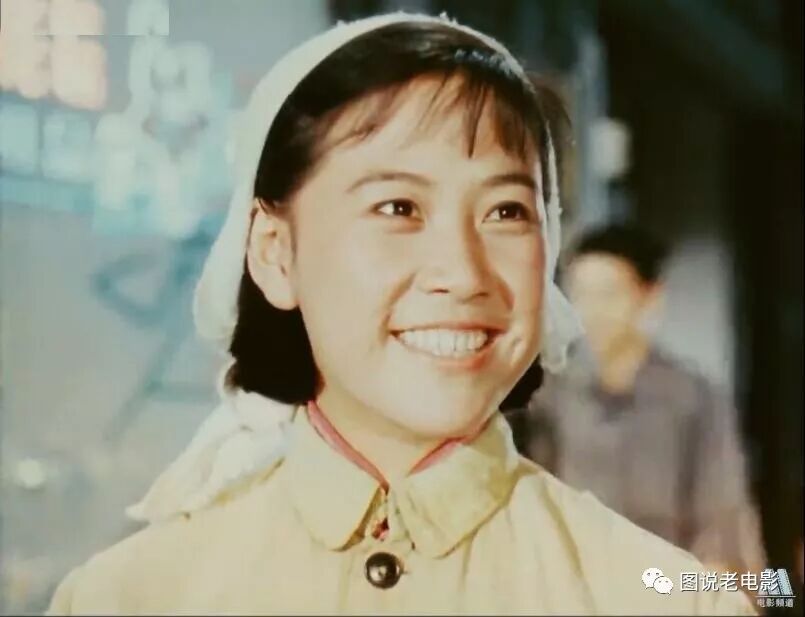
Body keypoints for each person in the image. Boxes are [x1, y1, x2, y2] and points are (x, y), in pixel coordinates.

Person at [47, 13, 755, 615]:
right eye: (398, 207)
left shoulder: (667, 593)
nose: (463, 273)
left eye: (506, 211)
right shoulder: (127, 597)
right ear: (274, 251)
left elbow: (735, 544)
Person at [517, 223, 766, 576]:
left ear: (650, 296)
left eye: (609, 294)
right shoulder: (552, 398)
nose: (593, 311)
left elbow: (721, 514)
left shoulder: (693, 398)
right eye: (581, 294)